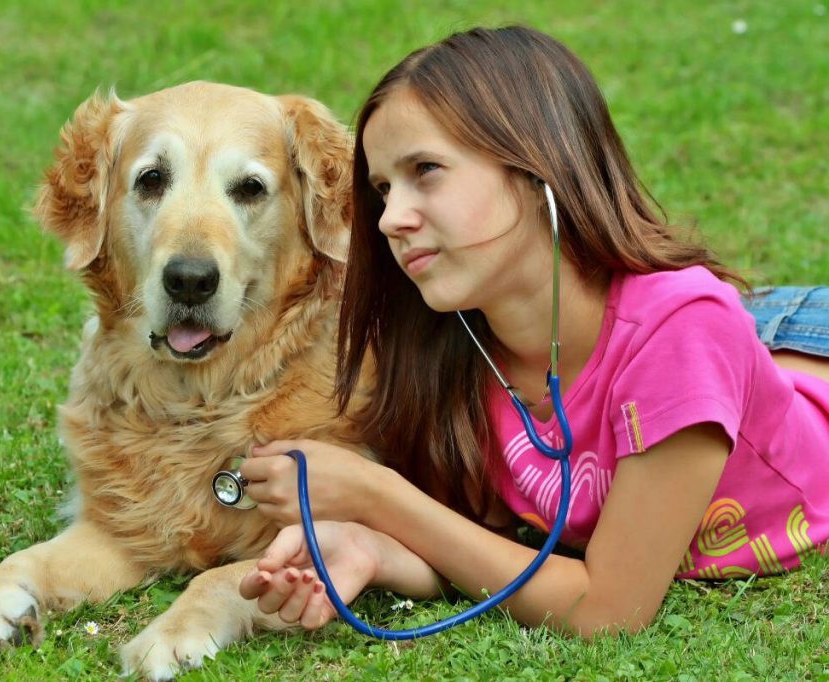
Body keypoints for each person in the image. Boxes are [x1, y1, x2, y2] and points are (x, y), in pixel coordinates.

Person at [236, 25, 829, 637]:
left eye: (426, 170)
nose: (391, 218)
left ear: (538, 165)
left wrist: (376, 497)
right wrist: (373, 549)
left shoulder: (685, 333)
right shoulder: (456, 346)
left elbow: (608, 611)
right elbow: (490, 548)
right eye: (384, 189)